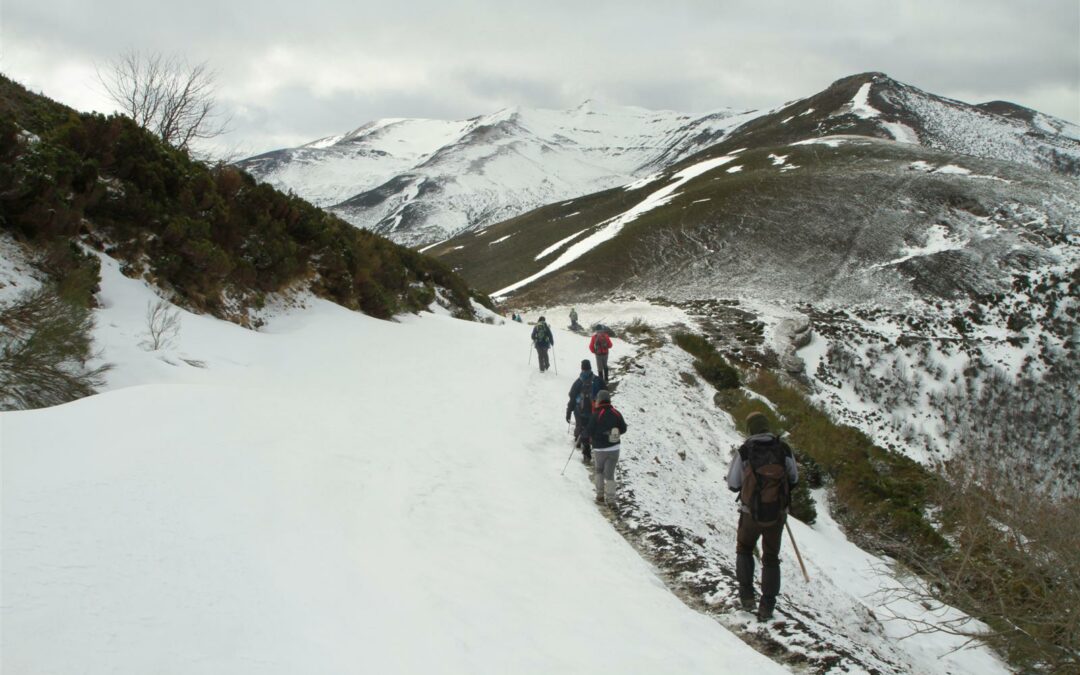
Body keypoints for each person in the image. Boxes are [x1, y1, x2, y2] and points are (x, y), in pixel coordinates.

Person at [726, 412, 799, 621]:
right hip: (776, 515)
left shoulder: (746, 450)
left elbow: (733, 483)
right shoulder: (782, 448)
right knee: (771, 558)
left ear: (750, 429)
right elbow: (794, 478)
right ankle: (767, 607)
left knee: (744, 548)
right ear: (767, 426)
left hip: (750, 514)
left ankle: (747, 597)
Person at [586, 390, 627, 507]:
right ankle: (611, 500)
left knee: (599, 470)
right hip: (614, 448)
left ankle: (600, 496)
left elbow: (589, 430)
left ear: (599, 400)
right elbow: (623, 429)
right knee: (610, 474)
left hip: (599, 449)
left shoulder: (596, 415)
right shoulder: (616, 413)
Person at [565, 360, 603, 462]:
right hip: (595, 410)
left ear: (582, 368)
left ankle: (582, 446)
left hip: (580, 410)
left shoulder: (578, 382)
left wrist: (568, 411)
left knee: (581, 427)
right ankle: (595, 449)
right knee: (593, 429)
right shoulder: (598, 380)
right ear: (590, 368)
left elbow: (572, 397)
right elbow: (605, 393)